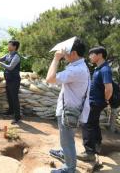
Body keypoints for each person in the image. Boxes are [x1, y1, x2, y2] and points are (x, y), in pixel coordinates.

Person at [46, 38, 90, 173]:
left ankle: (69, 168)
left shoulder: (76, 70)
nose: (64, 55)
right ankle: (64, 153)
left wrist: (56, 59)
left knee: (67, 140)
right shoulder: (79, 67)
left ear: (74, 53)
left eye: (66, 52)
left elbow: (50, 79)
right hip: (71, 108)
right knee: (66, 137)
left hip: (69, 110)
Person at [77, 46, 113, 161]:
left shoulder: (105, 69)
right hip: (94, 101)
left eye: (92, 54)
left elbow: (108, 88)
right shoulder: (99, 68)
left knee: (87, 124)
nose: (90, 57)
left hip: (96, 102)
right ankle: (97, 145)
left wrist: (105, 100)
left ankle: (89, 152)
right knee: (94, 124)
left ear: (100, 55)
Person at [0, 40, 21, 124]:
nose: (8, 46)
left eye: (9, 45)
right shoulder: (8, 55)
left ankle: (17, 117)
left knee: (14, 98)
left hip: (14, 80)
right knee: (9, 96)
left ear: (14, 47)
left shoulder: (16, 57)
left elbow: (10, 67)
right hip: (9, 79)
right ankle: (10, 111)